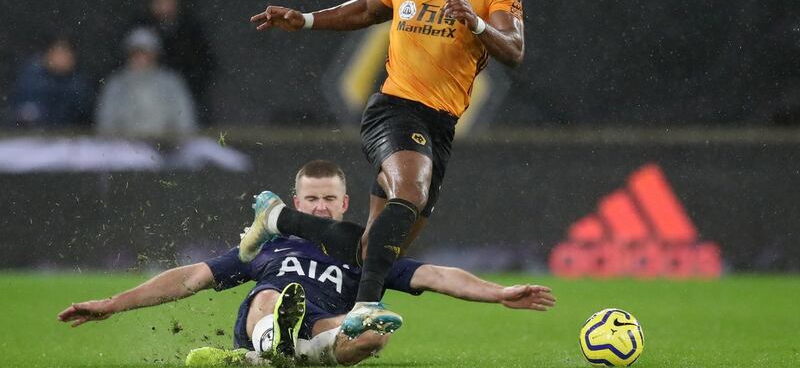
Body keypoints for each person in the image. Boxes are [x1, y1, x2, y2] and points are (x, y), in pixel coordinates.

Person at [243, 0, 525, 338]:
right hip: (394, 110)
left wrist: (477, 24)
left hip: (441, 124)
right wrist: (304, 19)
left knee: (373, 250)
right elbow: (365, 10)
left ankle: (280, 219)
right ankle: (365, 306)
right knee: (410, 192)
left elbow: (514, 50)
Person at [58, 160, 554, 367]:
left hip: (326, 327)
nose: (319, 208)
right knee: (273, 297)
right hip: (267, 313)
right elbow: (190, 278)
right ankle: (271, 345)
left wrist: (499, 292)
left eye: (328, 200)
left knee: (375, 330)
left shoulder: (364, 249)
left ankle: (268, 361)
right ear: (295, 201)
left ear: (344, 205)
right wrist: (113, 303)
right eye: (310, 199)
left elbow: (436, 274)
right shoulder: (267, 248)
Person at [129, 0, 218, 125]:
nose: (164, 6)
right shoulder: (142, 26)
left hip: (188, 90)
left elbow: (206, 63)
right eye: (160, 1)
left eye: (168, 0)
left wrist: (183, 82)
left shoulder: (191, 29)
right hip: (148, 92)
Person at [95, 26, 197, 138]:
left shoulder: (171, 82)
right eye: (135, 53)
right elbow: (106, 122)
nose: (140, 58)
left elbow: (185, 120)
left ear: (155, 54)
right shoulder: (116, 83)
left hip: (166, 147)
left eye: (145, 53)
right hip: (126, 146)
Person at [7, 34, 93, 128]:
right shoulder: (31, 78)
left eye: (66, 53)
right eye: (58, 52)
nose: (62, 58)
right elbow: (18, 107)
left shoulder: (78, 83)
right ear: (48, 54)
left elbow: (81, 113)